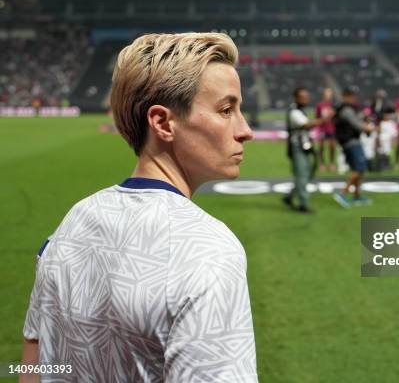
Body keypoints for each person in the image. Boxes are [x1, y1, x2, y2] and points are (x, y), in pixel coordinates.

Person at [20, 33, 259, 382]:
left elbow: (32, 369)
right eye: (226, 110)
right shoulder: (209, 251)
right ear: (163, 123)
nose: (246, 130)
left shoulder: (68, 227)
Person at [283, 87, 330, 213]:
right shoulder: (294, 112)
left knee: (307, 173)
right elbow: (307, 125)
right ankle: (303, 204)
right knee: (302, 175)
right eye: (303, 97)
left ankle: (289, 197)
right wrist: (324, 119)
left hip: (304, 145)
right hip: (297, 147)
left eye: (307, 96)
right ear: (296, 98)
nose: (306, 99)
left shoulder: (299, 110)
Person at [333, 87, 375, 207]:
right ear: (347, 96)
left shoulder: (342, 108)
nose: (355, 99)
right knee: (359, 168)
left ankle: (357, 195)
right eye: (353, 96)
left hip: (348, 141)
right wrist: (369, 128)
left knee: (358, 169)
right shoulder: (346, 109)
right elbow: (356, 124)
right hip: (351, 141)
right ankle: (342, 193)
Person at [316, 87, 337, 172]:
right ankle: (321, 163)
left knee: (332, 146)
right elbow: (317, 117)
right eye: (327, 94)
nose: (328, 96)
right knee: (321, 147)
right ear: (324, 95)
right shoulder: (320, 105)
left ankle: (331, 163)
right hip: (322, 129)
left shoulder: (334, 106)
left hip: (331, 128)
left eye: (330, 94)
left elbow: (336, 118)